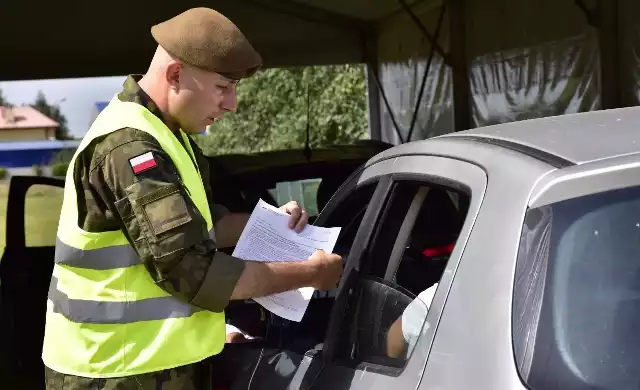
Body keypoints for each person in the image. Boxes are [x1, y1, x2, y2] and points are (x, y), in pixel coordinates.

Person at [42, 7, 343, 389]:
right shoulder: (132, 149)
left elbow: (203, 226)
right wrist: (311, 274)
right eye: (223, 87)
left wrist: (268, 222)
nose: (231, 104)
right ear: (175, 74)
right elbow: (197, 273)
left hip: (149, 367)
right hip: (116, 372)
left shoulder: (167, 134)